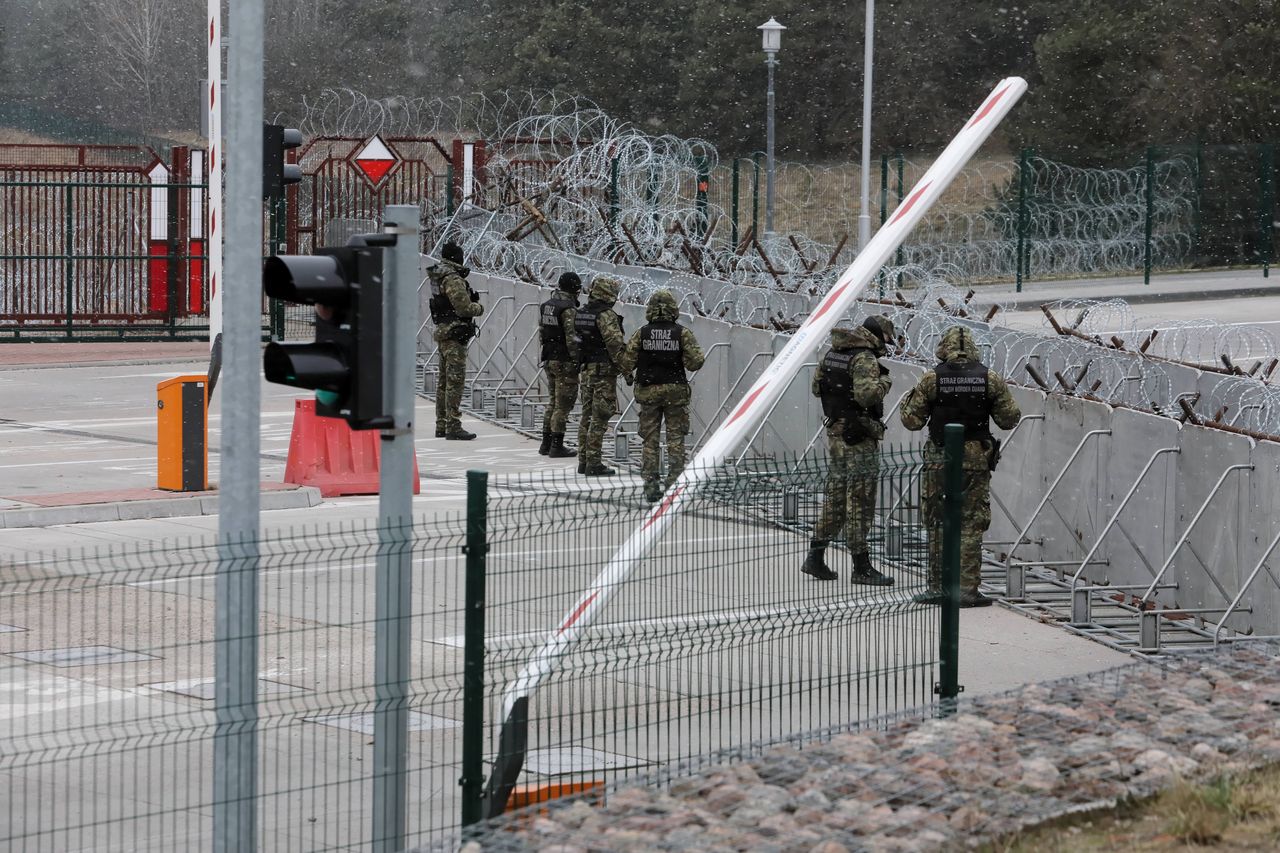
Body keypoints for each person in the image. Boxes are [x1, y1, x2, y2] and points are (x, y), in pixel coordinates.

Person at [900, 325, 1021, 607]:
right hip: (975, 460)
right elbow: (1009, 418)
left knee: (938, 521)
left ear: (945, 348)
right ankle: (966, 590)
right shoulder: (988, 378)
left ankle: (937, 588)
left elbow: (911, 420)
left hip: (940, 459)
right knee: (970, 524)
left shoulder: (932, 379)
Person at [801, 316, 896, 586]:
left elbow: (816, 387)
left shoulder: (834, 353)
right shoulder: (864, 358)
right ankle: (861, 566)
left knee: (836, 496)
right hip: (858, 436)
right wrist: (885, 382)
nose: (887, 344)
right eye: (887, 338)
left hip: (836, 432)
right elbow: (867, 396)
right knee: (860, 499)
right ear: (878, 334)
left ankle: (815, 556)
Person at [620, 289, 706, 502]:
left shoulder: (642, 333)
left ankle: (651, 485)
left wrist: (634, 371)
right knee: (675, 439)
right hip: (675, 391)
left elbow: (626, 362)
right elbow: (696, 361)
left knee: (650, 440)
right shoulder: (681, 333)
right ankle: (674, 484)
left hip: (648, 390)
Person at [428, 241, 484, 440]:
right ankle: (453, 425)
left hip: (444, 332)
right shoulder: (452, 278)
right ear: (456, 258)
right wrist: (478, 307)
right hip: (454, 333)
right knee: (455, 381)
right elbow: (463, 308)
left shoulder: (438, 275)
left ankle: (441, 424)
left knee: (444, 382)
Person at [574, 276, 629, 476]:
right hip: (603, 372)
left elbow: (577, 341)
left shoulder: (581, 313)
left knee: (586, 417)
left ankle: (583, 459)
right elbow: (615, 345)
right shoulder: (605, 315)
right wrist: (627, 369)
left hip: (587, 370)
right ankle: (594, 463)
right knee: (600, 416)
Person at [538, 271, 582, 458]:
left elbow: (542, 332)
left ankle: (546, 443)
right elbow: (572, 339)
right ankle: (557, 444)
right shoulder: (568, 309)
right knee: (563, 405)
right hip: (564, 360)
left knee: (553, 401)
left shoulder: (547, 305)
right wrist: (577, 360)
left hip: (549, 357)